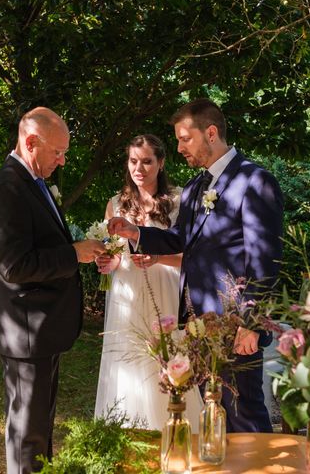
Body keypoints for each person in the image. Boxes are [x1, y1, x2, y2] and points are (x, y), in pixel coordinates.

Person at [108, 99, 283, 433]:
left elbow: (265, 259)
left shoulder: (254, 181)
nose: (178, 147)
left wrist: (252, 323)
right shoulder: (194, 188)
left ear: (211, 133)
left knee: (244, 414)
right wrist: (135, 232)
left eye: (184, 138)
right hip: (198, 327)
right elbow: (179, 240)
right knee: (215, 414)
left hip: (235, 329)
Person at [0, 107, 105, 474]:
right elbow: (14, 266)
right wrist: (73, 253)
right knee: (27, 436)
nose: (62, 161)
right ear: (31, 142)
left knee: (40, 431)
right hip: (25, 332)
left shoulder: (30, 183)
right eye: (58, 152)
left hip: (41, 332)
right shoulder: (6, 189)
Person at [93, 134, 203, 431]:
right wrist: (106, 262)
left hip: (165, 292)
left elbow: (191, 256)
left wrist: (157, 259)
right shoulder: (115, 204)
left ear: (161, 162)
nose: (138, 168)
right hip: (126, 295)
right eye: (133, 161)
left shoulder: (180, 200)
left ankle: (175, 433)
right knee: (127, 366)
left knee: (165, 363)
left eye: (146, 161)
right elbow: (114, 254)